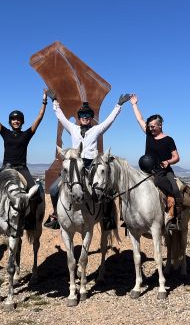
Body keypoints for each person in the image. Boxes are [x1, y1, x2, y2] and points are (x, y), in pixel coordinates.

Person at [43, 91, 131, 230]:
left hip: (91, 166)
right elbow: (60, 116)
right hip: (75, 167)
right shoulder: (73, 128)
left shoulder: (96, 130)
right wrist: (54, 101)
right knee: (54, 189)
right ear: (79, 118)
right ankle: (56, 215)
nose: (85, 118)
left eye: (88, 116)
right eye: (83, 115)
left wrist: (118, 105)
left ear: (91, 118)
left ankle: (107, 218)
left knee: (105, 190)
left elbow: (109, 120)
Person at [0, 88, 47, 233]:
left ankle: (30, 220)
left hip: (22, 168)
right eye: (13, 119)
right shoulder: (5, 132)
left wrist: (44, 100)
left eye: (18, 119)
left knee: (35, 194)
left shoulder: (27, 134)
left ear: (22, 122)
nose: (16, 121)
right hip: (6, 168)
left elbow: (39, 117)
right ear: (10, 121)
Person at [130, 94, 183, 231]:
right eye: (150, 126)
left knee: (175, 190)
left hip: (163, 170)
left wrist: (168, 162)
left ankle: (174, 218)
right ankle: (127, 218)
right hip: (146, 169)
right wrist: (134, 104)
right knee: (129, 185)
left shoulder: (168, 140)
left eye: (153, 126)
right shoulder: (148, 134)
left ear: (160, 125)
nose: (151, 128)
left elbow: (177, 157)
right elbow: (139, 119)